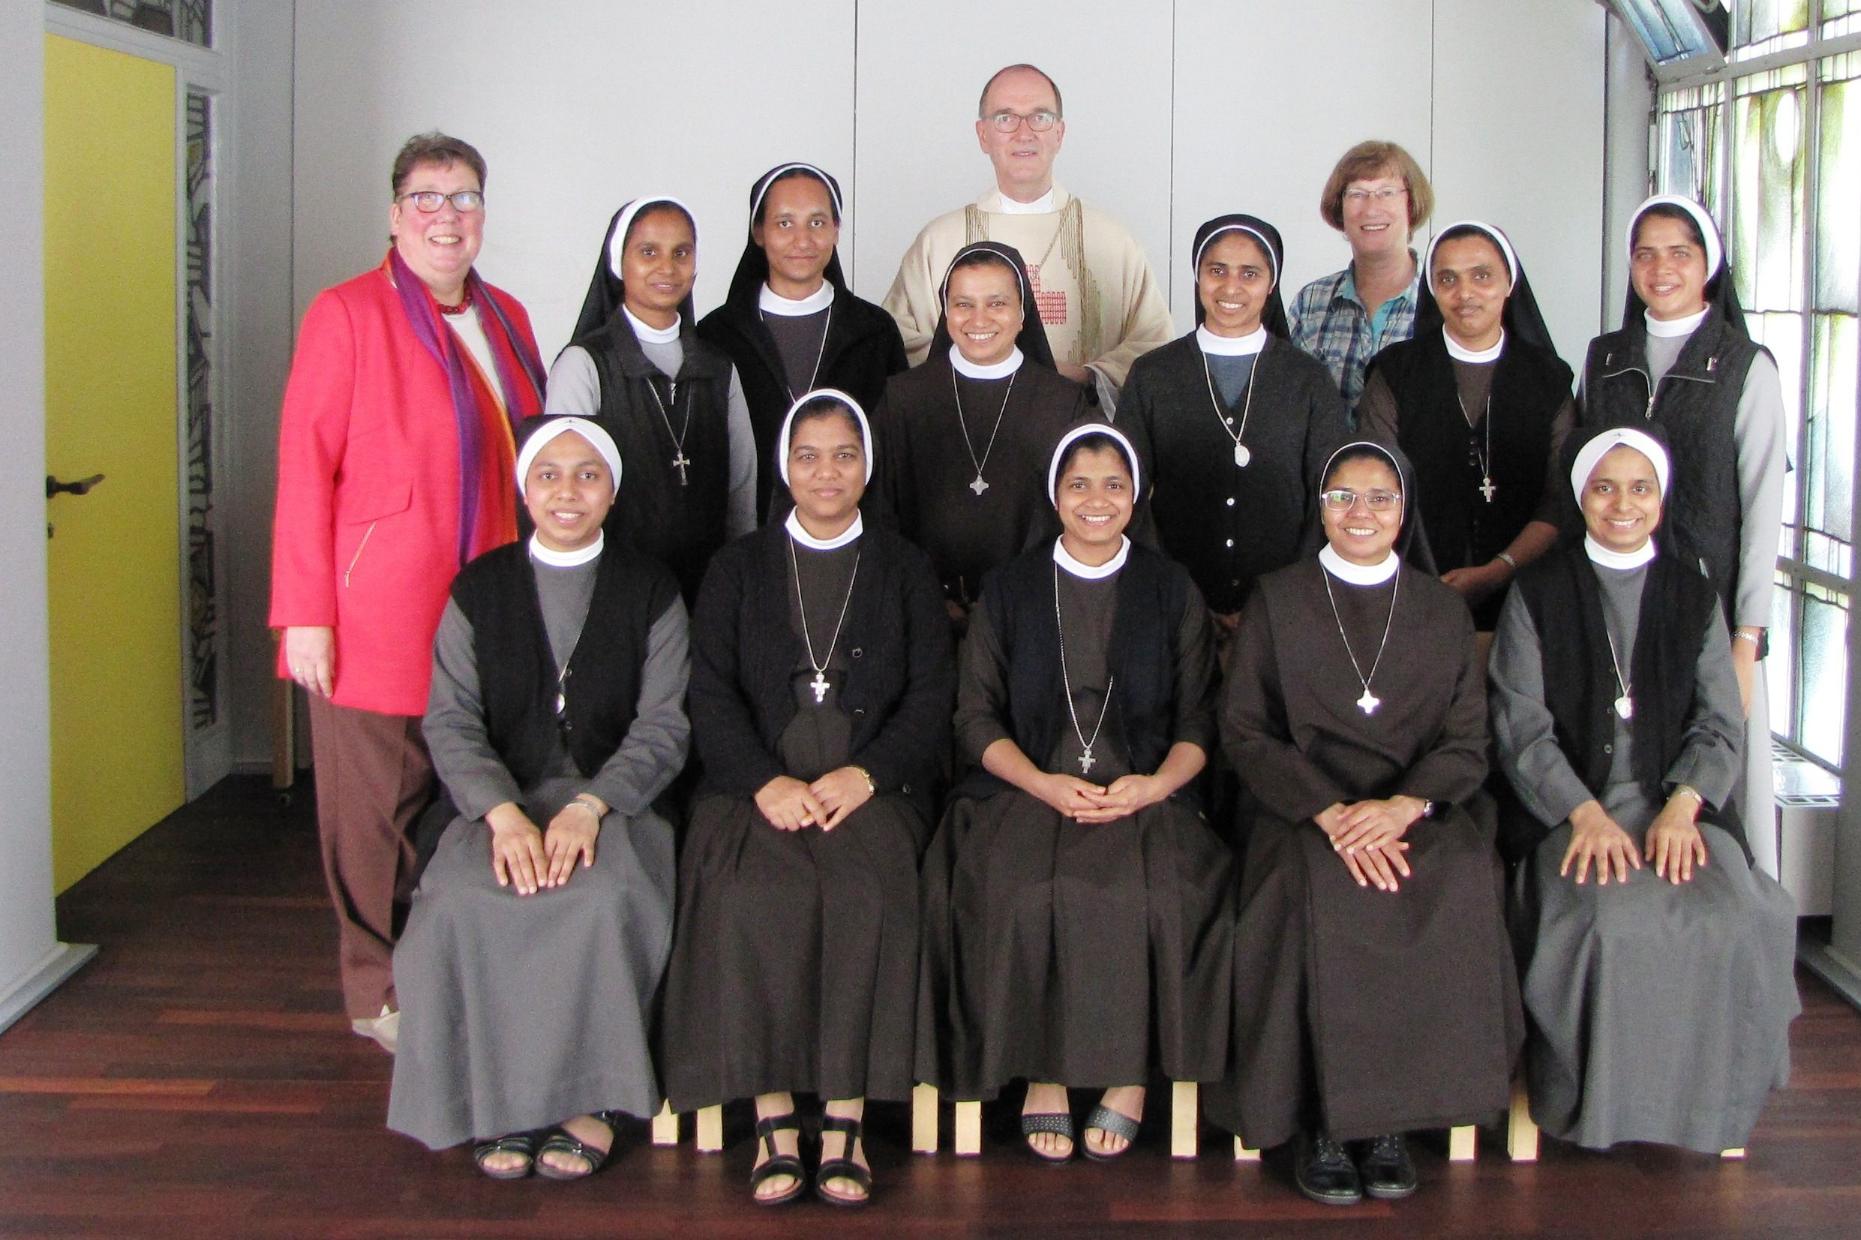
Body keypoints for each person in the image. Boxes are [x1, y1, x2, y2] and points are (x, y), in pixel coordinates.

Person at [270, 132, 546, 1052]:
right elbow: (305, 466)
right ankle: (376, 988)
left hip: (487, 598)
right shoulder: (346, 312)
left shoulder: (506, 315)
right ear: (395, 215)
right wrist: (304, 612)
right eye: (426, 197)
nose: (446, 214)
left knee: (461, 792)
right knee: (371, 810)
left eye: (463, 197)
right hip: (375, 606)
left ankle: (449, 963)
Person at [1210, 440, 1521, 1206]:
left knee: (1452, 879)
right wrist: (1328, 810)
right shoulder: (1277, 599)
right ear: (1318, 508)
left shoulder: (1441, 608)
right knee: (1314, 887)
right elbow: (1246, 730)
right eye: (1342, 497)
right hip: (1300, 812)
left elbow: (1465, 740)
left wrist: (1400, 807)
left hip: (1414, 809)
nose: (1361, 514)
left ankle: (1388, 1124)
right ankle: (1323, 1119)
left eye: (1379, 499)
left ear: (1404, 510)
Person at [663, 390, 954, 1207]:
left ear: (868, 466)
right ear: (783, 466)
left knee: (866, 890)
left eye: (844, 455)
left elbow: (932, 694)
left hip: (873, 786)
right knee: (755, 893)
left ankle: (848, 1116)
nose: (826, 473)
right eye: (807, 456)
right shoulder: (737, 567)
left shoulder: (903, 565)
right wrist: (764, 782)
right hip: (752, 786)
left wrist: (869, 774)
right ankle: (772, 1118)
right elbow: (710, 695)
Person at [917, 423, 1234, 1164]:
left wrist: (1152, 785)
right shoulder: (1011, 586)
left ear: (1138, 496)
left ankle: (1127, 1077)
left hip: (1146, 790)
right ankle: (1045, 1072)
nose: (1096, 500)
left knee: (1150, 894)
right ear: (1054, 495)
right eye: (1079, 484)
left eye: (1114, 485)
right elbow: (973, 717)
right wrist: (1040, 781)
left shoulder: (1169, 588)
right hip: (1024, 788)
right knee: (1022, 889)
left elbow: (1199, 721)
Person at [387, 417, 690, 1180]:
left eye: (587, 475)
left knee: (602, 896)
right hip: (498, 799)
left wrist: (591, 807)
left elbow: (664, 725)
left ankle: (587, 1100)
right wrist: (501, 813)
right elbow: (449, 718)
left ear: (612, 491)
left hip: (614, 799)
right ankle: (499, 1102)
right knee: (460, 898)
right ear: (524, 487)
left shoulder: (650, 588)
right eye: (548, 475)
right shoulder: (479, 588)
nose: (566, 492)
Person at [1489, 426, 1799, 1154]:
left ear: (1660, 501)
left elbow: (1722, 724)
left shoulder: (1692, 596)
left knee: (1733, 922)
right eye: (1603, 487)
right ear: (1580, 497)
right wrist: (1584, 813)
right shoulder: (1536, 591)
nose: (1620, 504)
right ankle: (1598, 1109)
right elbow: (1519, 728)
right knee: (1607, 926)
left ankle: (1707, 1111)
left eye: (1638, 488)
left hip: (1677, 810)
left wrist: (1686, 804)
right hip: (1567, 808)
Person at [1579, 194, 1787, 874]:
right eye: (1645, 253)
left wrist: (1746, 637)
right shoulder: (1604, 356)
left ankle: (1739, 915)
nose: (1660, 267)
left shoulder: (1745, 365)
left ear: (1708, 264)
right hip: (1613, 600)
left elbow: (1760, 507)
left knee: (1716, 774)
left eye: (1679, 252)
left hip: (1711, 605)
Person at [881, 63, 1174, 403]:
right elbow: (896, 341)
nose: (1024, 133)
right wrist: (980, 367)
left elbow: (1153, 343)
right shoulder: (939, 241)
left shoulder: (1110, 240)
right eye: (1006, 118)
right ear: (983, 135)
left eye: (1040, 117)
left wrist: (1086, 376)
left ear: (1059, 134)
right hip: (964, 427)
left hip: (1079, 437)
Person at [1116, 214, 1349, 633]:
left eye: (1250, 273)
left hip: (1286, 611)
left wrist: (1287, 595)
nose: (1230, 287)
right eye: (1217, 270)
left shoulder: (1308, 379)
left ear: (1271, 284)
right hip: (1172, 608)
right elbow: (1123, 491)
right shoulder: (1152, 375)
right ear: (1197, 275)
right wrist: (1170, 588)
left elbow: (1329, 498)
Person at [1358, 221, 1574, 633]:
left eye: (1482, 276)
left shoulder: (1549, 378)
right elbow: (1375, 484)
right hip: (1410, 594)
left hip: (1527, 598)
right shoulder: (1394, 372)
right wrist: (1424, 578)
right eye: (1447, 279)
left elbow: (1559, 499)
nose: (1465, 293)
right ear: (1433, 290)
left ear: (1510, 283)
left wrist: (1498, 570)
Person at [547, 196, 757, 603]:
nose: (667, 267)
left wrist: (739, 578)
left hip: (708, 587)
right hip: (611, 589)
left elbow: (742, 488)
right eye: (648, 252)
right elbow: (564, 487)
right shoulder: (584, 365)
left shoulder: (719, 368)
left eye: (681, 253)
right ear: (618, 262)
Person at [871, 242, 1088, 623]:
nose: (979, 319)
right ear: (946, 311)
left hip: (1031, 613)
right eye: (963, 304)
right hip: (920, 612)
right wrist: (921, 596)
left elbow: (1077, 516)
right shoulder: (903, 398)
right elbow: (878, 511)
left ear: (1023, 313)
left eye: (997, 303)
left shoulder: (1063, 403)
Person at [697, 163, 907, 520]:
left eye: (817, 222)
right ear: (759, 232)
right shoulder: (717, 334)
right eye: (784, 223)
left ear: (836, 230)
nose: (802, 239)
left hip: (854, 534)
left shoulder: (874, 331)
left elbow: (895, 452)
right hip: (747, 535)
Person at [1289, 141, 1434, 408]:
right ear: (1339, 208)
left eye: (1387, 192)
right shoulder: (1311, 303)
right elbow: (1291, 406)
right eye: (1357, 194)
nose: (1371, 208)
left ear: (1411, 205)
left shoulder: (1442, 297)